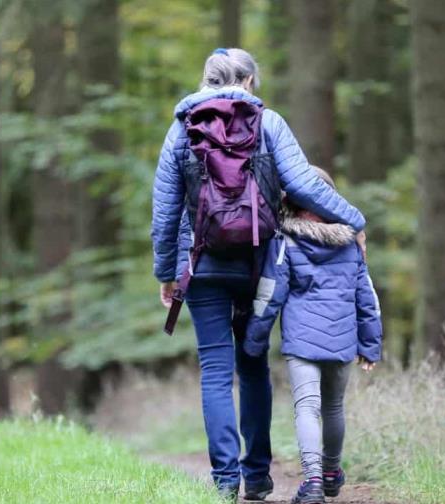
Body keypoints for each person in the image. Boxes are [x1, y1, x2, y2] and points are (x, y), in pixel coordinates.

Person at [151, 48, 366, 501]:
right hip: (259, 263)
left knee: (214, 369)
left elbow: (165, 212)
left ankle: (225, 480)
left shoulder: (180, 130)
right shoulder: (269, 123)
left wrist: (167, 272)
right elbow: (306, 185)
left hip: (203, 263)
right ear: (248, 81)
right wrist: (354, 220)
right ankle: (258, 475)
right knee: (252, 365)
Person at [243, 167, 382, 504]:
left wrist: (254, 339)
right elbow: (367, 297)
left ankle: (314, 483)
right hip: (342, 338)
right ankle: (332, 472)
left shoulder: (285, 241)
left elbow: (270, 293)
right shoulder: (351, 242)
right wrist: (370, 344)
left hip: (302, 341)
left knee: (307, 407)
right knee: (334, 407)